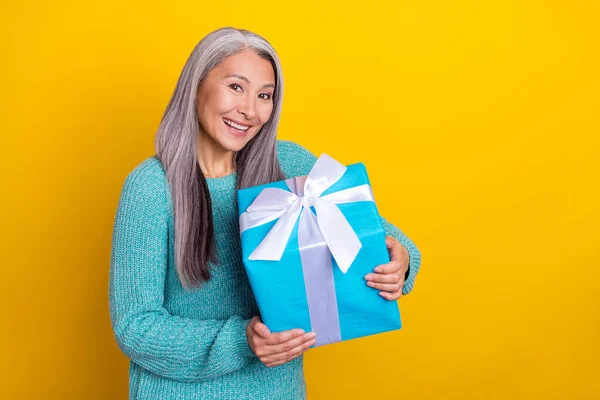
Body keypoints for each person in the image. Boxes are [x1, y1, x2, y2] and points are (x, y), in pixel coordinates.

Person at [109, 26, 422, 400]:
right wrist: (242, 341)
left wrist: (398, 263)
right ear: (196, 86)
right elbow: (134, 326)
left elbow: (392, 243)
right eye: (235, 87)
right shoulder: (150, 188)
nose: (249, 110)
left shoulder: (288, 165)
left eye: (264, 95)